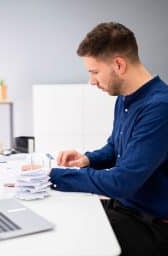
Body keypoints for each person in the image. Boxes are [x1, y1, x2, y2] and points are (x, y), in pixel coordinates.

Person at [49, 22, 168, 255]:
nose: (91, 81)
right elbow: (115, 148)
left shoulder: (160, 108)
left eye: (94, 72)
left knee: (70, 242)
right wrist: (86, 160)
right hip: (125, 211)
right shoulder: (125, 98)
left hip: (151, 228)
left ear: (119, 64)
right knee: (62, 219)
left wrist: (49, 176)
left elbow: (123, 181)